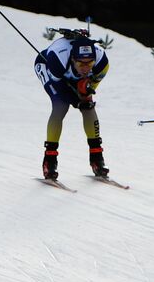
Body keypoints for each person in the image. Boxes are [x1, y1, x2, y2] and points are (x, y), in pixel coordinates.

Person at [34, 31, 110, 179]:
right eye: (81, 63)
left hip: (69, 73)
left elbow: (89, 89)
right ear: (73, 59)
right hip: (48, 67)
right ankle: (49, 160)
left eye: (90, 64)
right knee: (61, 105)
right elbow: (61, 90)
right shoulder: (58, 60)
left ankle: (97, 157)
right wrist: (76, 100)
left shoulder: (101, 63)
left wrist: (84, 94)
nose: (86, 68)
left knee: (87, 105)